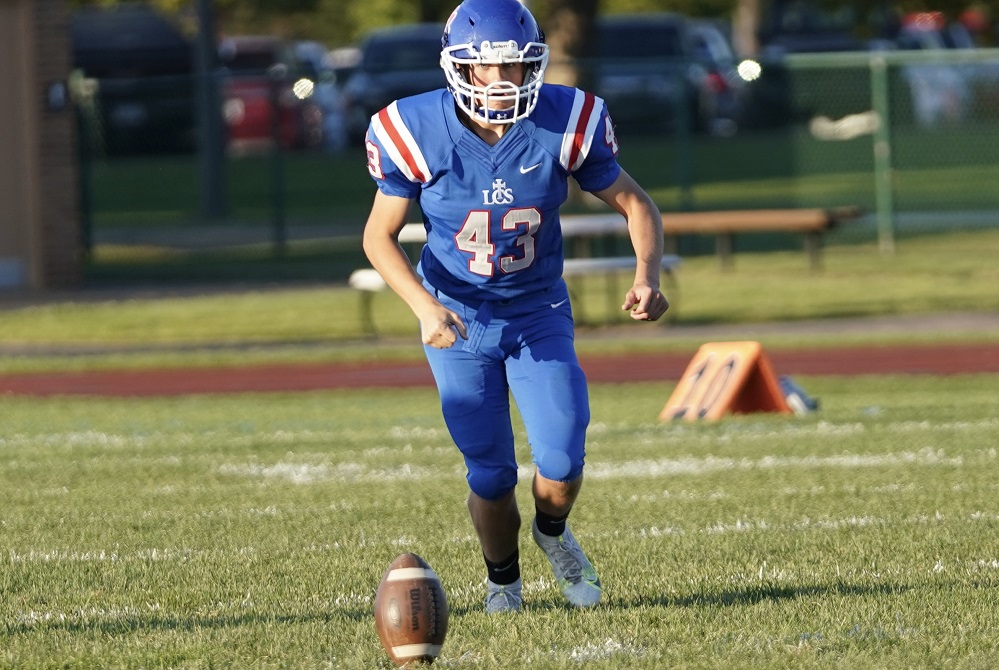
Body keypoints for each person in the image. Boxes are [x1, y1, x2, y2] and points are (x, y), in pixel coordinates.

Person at [361, 0, 669, 613]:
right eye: (487, 68)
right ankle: (504, 580)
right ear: (460, 68)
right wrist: (424, 307)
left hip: (537, 311)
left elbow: (636, 203)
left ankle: (552, 533)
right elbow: (378, 237)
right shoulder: (413, 127)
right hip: (457, 317)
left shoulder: (566, 118)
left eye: (515, 67)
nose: (502, 81)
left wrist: (647, 274)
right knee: (492, 474)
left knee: (560, 454)